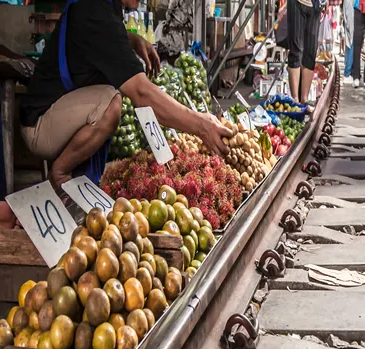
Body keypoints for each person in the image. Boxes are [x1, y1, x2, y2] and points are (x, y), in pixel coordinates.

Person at [14, 0, 230, 208]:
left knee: (109, 99)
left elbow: (102, 36)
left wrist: (132, 40)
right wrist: (200, 125)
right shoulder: (95, 11)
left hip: (60, 110)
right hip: (41, 124)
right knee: (110, 104)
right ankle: (60, 174)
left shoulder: (102, 7)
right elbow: (141, 93)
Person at [287, 0, 322, 103]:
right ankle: (295, 100)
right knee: (296, 50)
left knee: (311, 52)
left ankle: (304, 99)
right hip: (297, 3)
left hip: (315, 5)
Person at [342, 0, 354, 81]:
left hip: (348, 9)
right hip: (350, 12)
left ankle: (349, 71)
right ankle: (347, 72)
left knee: (349, 43)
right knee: (351, 44)